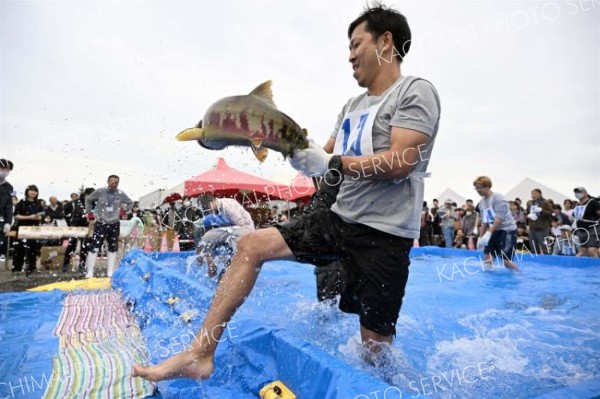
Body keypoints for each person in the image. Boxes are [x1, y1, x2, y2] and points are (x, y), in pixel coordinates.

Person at [134, 4, 440, 381]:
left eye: (356, 44)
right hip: (337, 216)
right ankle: (200, 352)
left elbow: (400, 162)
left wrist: (330, 164)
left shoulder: (415, 91)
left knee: (374, 348)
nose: (349, 55)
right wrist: (256, 135)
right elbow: (321, 154)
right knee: (250, 245)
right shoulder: (351, 106)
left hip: (384, 234)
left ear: (386, 42)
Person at [195, 194, 255, 278]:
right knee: (207, 237)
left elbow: (241, 225)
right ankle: (204, 264)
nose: (208, 210)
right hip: (232, 230)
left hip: (245, 230)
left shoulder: (228, 205)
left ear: (213, 201)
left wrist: (223, 234)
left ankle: (235, 265)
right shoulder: (217, 208)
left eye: (208, 207)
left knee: (232, 237)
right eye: (205, 208)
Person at [84, 175, 132, 278]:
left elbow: (130, 203)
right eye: (112, 181)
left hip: (114, 223)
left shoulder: (120, 193)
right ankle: (90, 271)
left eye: (116, 182)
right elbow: (88, 199)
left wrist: (124, 211)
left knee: (113, 247)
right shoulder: (100, 191)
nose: (114, 183)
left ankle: (110, 271)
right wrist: (90, 212)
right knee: (95, 246)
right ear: (108, 181)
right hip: (101, 222)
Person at [474, 176, 519, 270]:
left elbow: (499, 218)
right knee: (487, 258)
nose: (478, 190)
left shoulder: (498, 198)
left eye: (480, 187)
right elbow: (485, 221)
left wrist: (489, 233)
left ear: (487, 186)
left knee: (506, 261)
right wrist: (480, 237)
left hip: (507, 231)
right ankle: (488, 281)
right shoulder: (481, 203)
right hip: (494, 230)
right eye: (476, 188)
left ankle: (518, 273)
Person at [12, 185, 44, 276]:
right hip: (22, 228)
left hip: (34, 229)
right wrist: (29, 217)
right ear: (27, 191)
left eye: (35, 191)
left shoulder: (38, 203)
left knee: (33, 249)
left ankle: (31, 268)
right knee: (19, 249)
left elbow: (42, 215)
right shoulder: (21, 203)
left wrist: (39, 217)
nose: (33, 192)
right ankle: (16, 269)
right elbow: (16, 215)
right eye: (31, 190)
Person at [63, 189, 92, 272]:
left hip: (87, 227)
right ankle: (65, 263)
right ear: (84, 195)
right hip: (76, 226)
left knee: (85, 246)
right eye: (88, 195)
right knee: (71, 245)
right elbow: (80, 211)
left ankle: (82, 264)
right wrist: (87, 215)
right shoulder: (78, 202)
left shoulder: (94, 203)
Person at [572, 187, 600, 257]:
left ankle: (596, 267)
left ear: (586, 193)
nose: (577, 194)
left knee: (592, 250)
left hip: (593, 229)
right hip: (581, 230)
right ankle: (577, 266)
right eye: (576, 192)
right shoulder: (577, 205)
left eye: (579, 192)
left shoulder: (593, 202)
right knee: (583, 250)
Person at [526, 189, 553, 254]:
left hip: (542, 228)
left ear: (540, 194)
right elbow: (527, 213)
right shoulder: (530, 203)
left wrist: (541, 211)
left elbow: (550, 213)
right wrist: (528, 216)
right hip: (532, 227)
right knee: (533, 247)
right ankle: (535, 262)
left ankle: (548, 261)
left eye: (535, 193)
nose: (533, 195)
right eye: (532, 193)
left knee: (545, 246)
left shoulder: (545, 202)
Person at [0, 159, 14, 262]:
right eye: (3, 168)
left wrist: (8, 222)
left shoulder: (9, 187)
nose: (5, 171)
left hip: (2, 219)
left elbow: (9, 206)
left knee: (2, 240)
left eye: (7, 169)